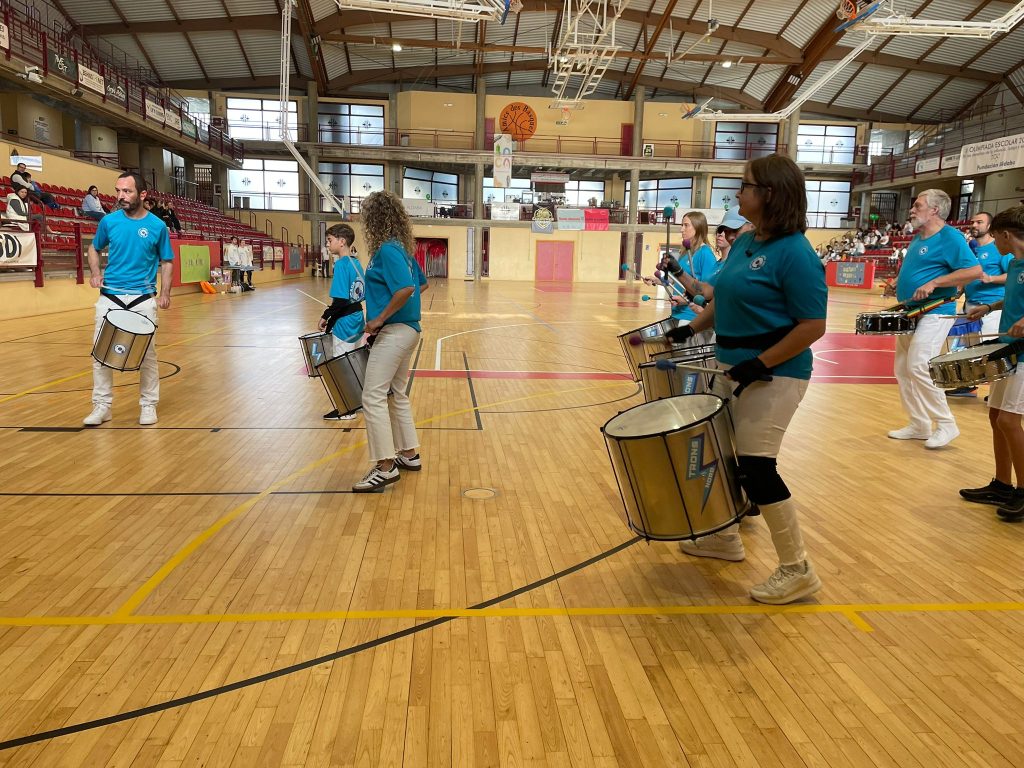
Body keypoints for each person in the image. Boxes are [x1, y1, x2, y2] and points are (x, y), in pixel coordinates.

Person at [665, 154, 828, 605]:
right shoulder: (745, 242)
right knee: (721, 453)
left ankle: (797, 568)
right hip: (730, 367)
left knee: (757, 466)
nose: (738, 193)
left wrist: (762, 363)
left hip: (776, 376)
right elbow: (723, 297)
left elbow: (813, 325)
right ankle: (724, 537)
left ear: (769, 194)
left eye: (746, 185)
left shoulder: (796, 253)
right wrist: (691, 328)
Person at [887, 190, 982, 448]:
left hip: (937, 310)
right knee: (903, 369)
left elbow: (974, 270)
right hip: (911, 312)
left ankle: (947, 424)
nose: (912, 209)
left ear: (935, 210)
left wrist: (936, 282)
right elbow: (920, 270)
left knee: (918, 364)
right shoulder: (918, 238)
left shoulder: (950, 237)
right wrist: (897, 283)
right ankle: (919, 424)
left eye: (917, 205)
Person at [83, 172, 174, 427]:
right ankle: (102, 406)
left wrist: (165, 293)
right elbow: (93, 247)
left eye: (127, 191)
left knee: (147, 356)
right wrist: (95, 272)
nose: (121, 196)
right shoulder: (109, 222)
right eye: (118, 191)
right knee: (100, 355)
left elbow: (167, 261)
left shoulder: (157, 226)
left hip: (142, 299)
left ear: (142, 195)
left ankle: (148, 405)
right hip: (110, 296)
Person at [353, 190, 422, 493]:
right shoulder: (402, 250)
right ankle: (409, 454)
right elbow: (421, 282)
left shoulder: (388, 250)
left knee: (372, 396)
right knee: (397, 393)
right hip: (407, 329)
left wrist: (380, 318)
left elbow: (407, 287)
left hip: (396, 331)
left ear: (374, 219)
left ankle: (385, 466)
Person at [961, 206, 1024, 521]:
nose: (993, 244)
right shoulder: (1014, 264)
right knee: (996, 416)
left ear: (1005, 235)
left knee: (1010, 421)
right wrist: (989, 306)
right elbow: (1013, 297)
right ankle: (1002, 484)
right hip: (1009, 349)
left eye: (996, 237)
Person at [948, 211, 1010, 397]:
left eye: (979, 222)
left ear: (990, 226)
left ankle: (999, 391)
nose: (974, 225)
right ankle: (968, 384)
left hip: (991, 307)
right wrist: (960, 288)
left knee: (991, 351)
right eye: (973, 221)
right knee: (968, 349)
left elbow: (1011, 275)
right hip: (970, 304)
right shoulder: (970, 248)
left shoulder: (1000, 249)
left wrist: (991, 278)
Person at [318, 223, 366, 421]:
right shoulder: (357, 264)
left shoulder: (341, 265)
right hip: (357, 319)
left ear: (342, 241)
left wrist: (325, 316)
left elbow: (339, 300)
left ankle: (346, 409)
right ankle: (357, 402)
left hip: (345, 322)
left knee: (341, 365)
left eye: (330, 240)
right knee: (354, 362)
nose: (327, 245)